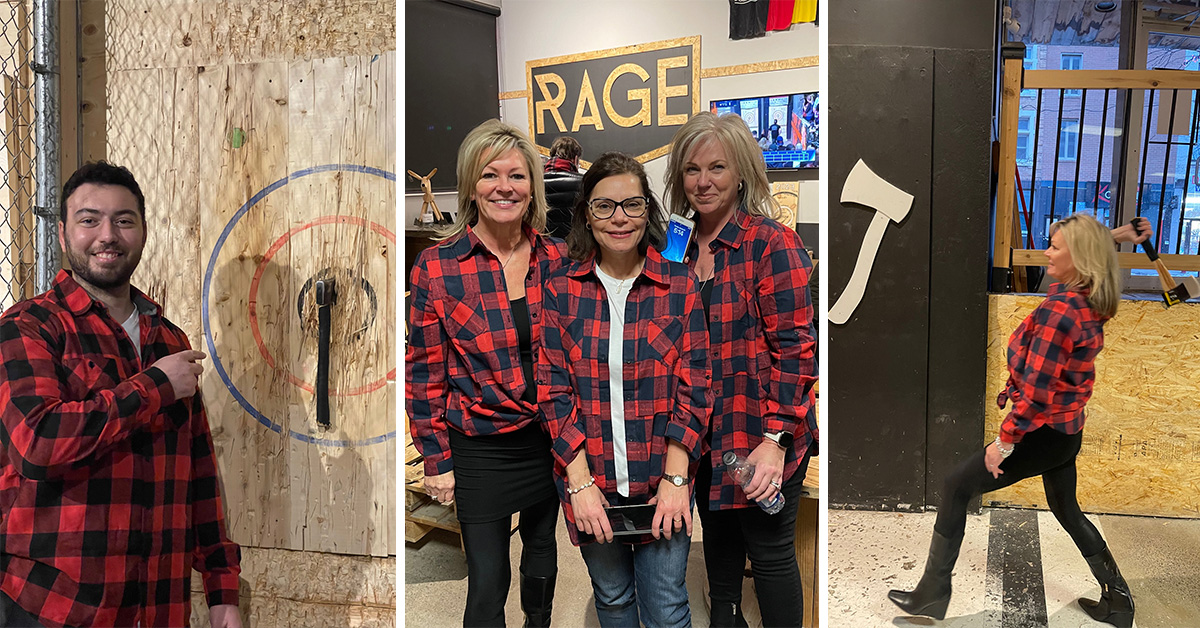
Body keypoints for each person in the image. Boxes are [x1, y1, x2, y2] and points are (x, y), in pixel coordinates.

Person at [0, 162, 242, 628]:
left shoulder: (170, 339)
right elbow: (38, 444)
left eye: (123, 220)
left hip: (158, 606)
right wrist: (153, 387)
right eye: (89, 220)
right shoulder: (28, 327)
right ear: (64, 233)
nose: (107, 234)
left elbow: (200, 472)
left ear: (144, 231)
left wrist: (221, 589)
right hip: (54, 607)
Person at [888, 213, 1134, 628]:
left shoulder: (1061, 311)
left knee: (955, 486)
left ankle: (932, 594)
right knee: (1067, 510)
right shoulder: (1089, 296)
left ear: (1078, 256)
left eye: (1056, 247)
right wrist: (1118, 235)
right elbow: (1087, 251)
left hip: (1041, 432)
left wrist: (1004, 443)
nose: (1047, 252)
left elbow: (1036, 393)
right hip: (1067, 432)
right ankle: (1119, 600)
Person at [407, 119, 569, 627]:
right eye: (490, 175)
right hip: (478, 442)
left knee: (543, 555)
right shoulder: (437, 267)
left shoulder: (557, 258)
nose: (504, 187)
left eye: (517, 176)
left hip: (546, 435)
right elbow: (423, 374)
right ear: (471, 185)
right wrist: (436, 460)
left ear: (533, 186)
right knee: (487, 581)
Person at [539, 152, 711, 628]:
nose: (619, 218)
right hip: (590, 483)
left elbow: (696, 387)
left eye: (633, 205)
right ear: (585, 216)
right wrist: (580, 485)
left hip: (662, 484)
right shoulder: (561, 288)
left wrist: (677, 483)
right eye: (604, 206)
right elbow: (553, 392)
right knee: (612, 599)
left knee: (666, 604)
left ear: (648, 211)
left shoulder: (678, 285)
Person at [663, 112, 818, 627]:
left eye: (717, 168)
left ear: (743, 172)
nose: (703, 181)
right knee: (719, 560)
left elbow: (797, 350)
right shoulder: (674, 246)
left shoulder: (771, 244)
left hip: (759, 435)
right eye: (691, 170)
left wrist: (775, 441)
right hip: (701, 435)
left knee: (771, 558)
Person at [543, 136, 584, 239]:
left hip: (544, 246)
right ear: (575, 159)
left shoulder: (534, 183)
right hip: (574, 246)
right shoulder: (583, 183)